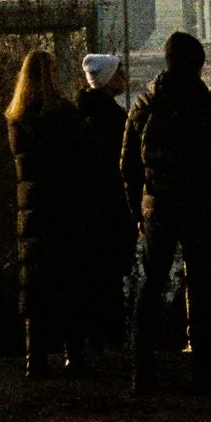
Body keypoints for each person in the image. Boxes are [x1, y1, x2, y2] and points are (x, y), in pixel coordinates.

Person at [122, 30, 211, 393]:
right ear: (197, 65)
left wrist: (139, 211)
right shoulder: (210, 105)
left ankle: (142, 370)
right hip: (200, 209)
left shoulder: (143, 104)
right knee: (200, 288)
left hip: (157, 209)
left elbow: (128, 166)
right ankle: (203, 369)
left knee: (150, 288)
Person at [5, 49, 91, 377]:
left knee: (35, 284)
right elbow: (81, 157)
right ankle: (74, 356)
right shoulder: (65, 114)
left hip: (31, 207)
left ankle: (35, 358)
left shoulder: (15, 118)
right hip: (65, 206)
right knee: (70, 281)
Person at [74, 53, 131, 352]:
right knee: (111, 280)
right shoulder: (114, 120)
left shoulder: (78, 116)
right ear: (109, 80)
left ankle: (91, 340)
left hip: (86, 213)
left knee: (90, 279)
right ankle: (112, 341)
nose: (124, 78)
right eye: (120, 74)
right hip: (111, 210)